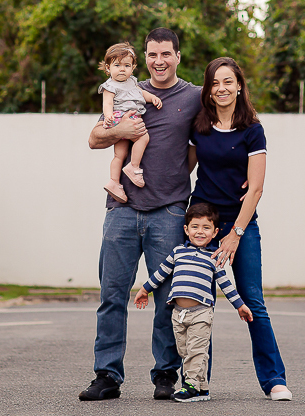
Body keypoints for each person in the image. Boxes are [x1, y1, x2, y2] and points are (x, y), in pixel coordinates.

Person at [80, 28, 202, 402]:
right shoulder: (126, 87)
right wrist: (122, 128)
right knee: (112, 294)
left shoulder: (193, 96)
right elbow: (94, 138)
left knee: (168, 295)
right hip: (122, 210)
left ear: (178, 56)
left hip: (168, 211)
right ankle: (107, 376)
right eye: (152, 54)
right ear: (144, 57)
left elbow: (212, 137)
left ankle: (165, 376)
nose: (159, 61)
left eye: (166, 54)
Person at [189, 56, 292, 401]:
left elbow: (257, 187)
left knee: (253, 301)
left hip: (241, 224)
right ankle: (197, 381)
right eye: (215, 83)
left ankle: (275, 380)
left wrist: (236, 233)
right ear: (208, 89)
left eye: (228, 82)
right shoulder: (198, 125)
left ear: (239, 86)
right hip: (203, 224)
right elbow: (182, 168)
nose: (221, 88)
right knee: (199, 305)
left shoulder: (252, 130)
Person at [132, 202, 253, 403]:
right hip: (178, 314)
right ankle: (202, 387)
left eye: (206, 228)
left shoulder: (214, 258)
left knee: (196, 351)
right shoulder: (178, 252)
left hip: (201, 313)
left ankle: (190, 385)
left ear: (215, 232)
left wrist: (240, 305)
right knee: (185, 351)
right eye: (195, 227)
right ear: (186, 229)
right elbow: (161, 273)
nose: (200, 232)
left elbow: (226, 284)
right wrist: (145, 289)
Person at [97, 42, 163, 203]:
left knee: (120, 154)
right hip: (123, 117)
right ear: (107, 68)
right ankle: (133, 166)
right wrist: (108, 116)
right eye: (117, 65)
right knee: (143, 138)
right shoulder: (109, 86)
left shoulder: (132, 82)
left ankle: (114, 182)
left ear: (132, 68)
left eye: (127, 65)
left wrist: (152, 98)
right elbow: (107, 104)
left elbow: (141, 92)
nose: (122, 69)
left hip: (122, 119)